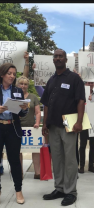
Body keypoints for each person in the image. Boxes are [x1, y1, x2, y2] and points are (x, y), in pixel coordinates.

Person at [41, 48, 85, 206]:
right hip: (52, 124)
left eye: (61, 56)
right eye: (56, 56)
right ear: (53, 60)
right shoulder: (51, 80)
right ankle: (59, 188)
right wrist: (45, 123)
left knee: (70, 159)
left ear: (66, 60)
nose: (58, 58)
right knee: (58, 158)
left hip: (69, 122)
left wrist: (79, 121)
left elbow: (81, 100)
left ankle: (71, 191)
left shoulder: (74, 78)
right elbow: (45, 103)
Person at [0, 63, 28, 204]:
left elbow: (22, 113)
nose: (12, 76)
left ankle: (18, 190)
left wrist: (24, 108)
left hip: (13, 129)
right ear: (2, 74)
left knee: (15, 161)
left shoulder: (18, 90)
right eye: (9, 73)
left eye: (14, 74)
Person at [16, 76, 41, 179]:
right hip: (17, 127)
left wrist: (37, 122)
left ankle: (37, 172)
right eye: (21, 84)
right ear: (17, 85)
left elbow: (38, 112)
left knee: (35, 149)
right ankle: (19, 172)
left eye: (25, 84)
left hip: (31, 127)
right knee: (18, 150)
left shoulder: (33, 97)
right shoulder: (14, 96)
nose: (23, 86)